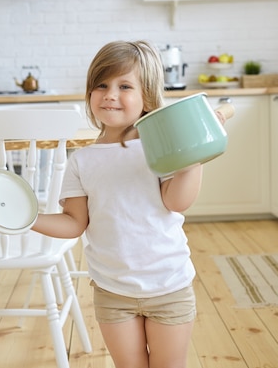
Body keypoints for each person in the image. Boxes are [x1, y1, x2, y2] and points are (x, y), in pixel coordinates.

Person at [32, 40, 225, 368]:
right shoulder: (82, 161)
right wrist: (28, 217)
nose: (110, 94)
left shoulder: (161, 147)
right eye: (101, 85)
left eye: (124, 86)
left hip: (168, 285)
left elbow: (177, 201)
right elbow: (74, 223)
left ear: (147, 96)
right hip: (113, 292)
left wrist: (193, 157)